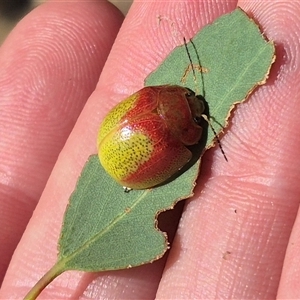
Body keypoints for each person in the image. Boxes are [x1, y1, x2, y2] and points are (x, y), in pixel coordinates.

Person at [0, 1, 299, 299]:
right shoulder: (175, 139)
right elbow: (182, 152)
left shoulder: (158, 99)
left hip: (114, 133)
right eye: (198, 117)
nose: (198, 105)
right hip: (120, 156)